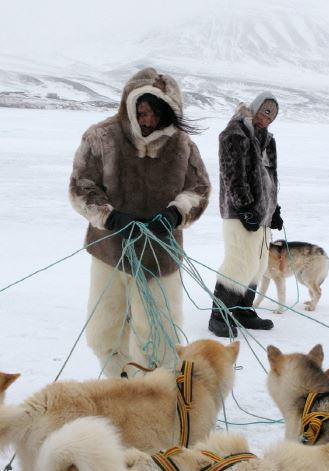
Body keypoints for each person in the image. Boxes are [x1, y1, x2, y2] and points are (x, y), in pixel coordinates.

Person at [69, 67, 210, 376]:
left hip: (160, 254)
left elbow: (199, 189)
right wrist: (112, 216)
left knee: (159, 334)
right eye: (143, 112)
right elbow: (82, 185)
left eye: (156, 115)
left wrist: (176, 212)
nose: (148, 121)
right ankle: (120, 388)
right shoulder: (102, 137)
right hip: (111, 251)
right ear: (130, 105)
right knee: (106, 330)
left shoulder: (183, 145)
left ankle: (156, 396)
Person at [208, 92, 284, 337]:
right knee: (239, 262)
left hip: (262, 213)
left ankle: (241, 309)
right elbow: (232, 174)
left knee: (258, 264)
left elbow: (271, 179)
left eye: (272, 115)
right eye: (265, 111)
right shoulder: (235, 133)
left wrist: (275, 209)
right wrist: (244, 207)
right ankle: (219, 314)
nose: (268, 118)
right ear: (256, 107)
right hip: (239, 213)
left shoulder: (267, 140)